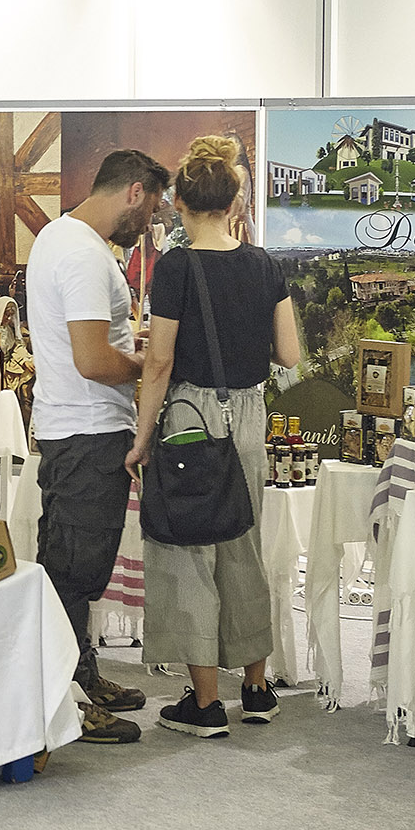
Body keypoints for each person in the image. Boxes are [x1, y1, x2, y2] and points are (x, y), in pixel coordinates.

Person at [127, 136, 299, 739]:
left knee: (188, 551)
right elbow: (290, 353)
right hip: (250, 417)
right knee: (242, 545)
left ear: (177, 202)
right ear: (234, 203)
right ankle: (256, 686)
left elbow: (158, 364)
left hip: (190, 420)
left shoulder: (174, 267)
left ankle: (204, 704)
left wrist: (141, 438)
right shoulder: (265, 264)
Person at [25, 148, 170, 745]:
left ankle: (81, 675)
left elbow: (83, 344)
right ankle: (63, 703)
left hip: (71, 429)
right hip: (87, 432)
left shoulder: (60, 237)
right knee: (75, 571)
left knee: (67, 563)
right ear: (135, 192)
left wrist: (123, 348)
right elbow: (92, 361)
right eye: (155, 204)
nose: (153, 219)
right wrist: (146, 364)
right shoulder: (84, 254)